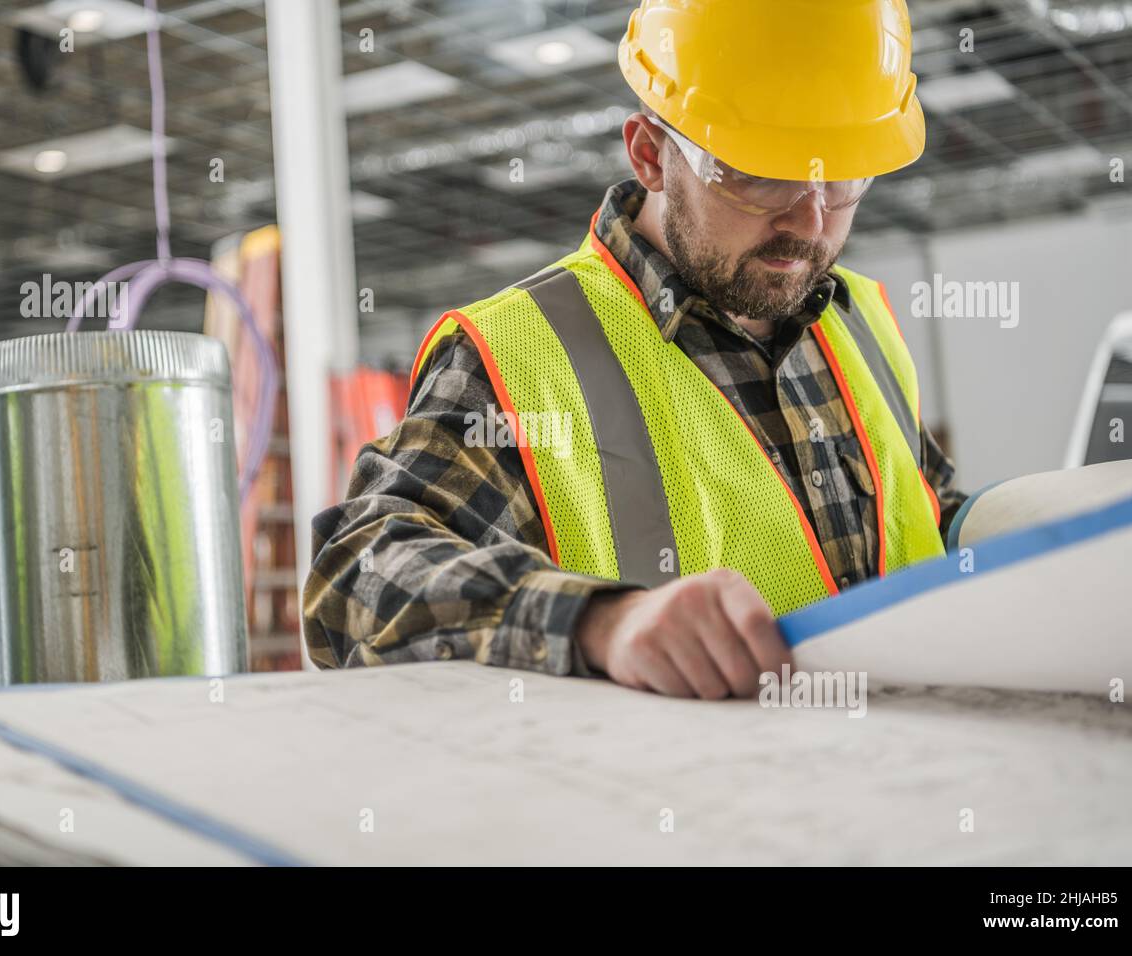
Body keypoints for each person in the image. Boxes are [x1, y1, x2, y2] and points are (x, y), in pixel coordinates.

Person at [304, 0, 965, 699]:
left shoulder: (859, 319)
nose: (808, 219)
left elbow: (919, 514)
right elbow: (357, 578)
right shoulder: (514, 353)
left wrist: (1011, 522)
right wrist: (601, 622)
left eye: (842, 175)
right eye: (759, 171)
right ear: (651, 153)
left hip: (897, 781)